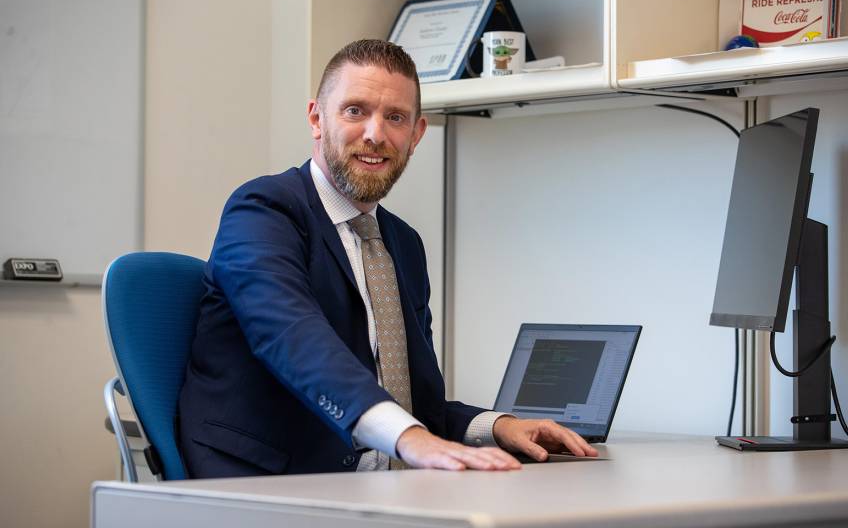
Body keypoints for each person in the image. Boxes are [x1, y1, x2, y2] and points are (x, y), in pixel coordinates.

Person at [178, 39, 596, 478]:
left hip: (380, 489)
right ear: (317, 119)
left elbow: (417, 405)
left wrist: (498, 427)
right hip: (265, 484)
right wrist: (410, 439)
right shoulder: (263, 210)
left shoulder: (402, 243)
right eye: (355, 111)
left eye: (395, 117)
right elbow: (292, 338)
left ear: (416, 135)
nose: (375, 134)